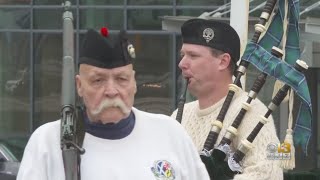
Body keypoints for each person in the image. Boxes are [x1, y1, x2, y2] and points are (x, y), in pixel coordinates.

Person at [17, 28, 210, 180]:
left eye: (121, 79)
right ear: (79, 86)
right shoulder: (47, 143)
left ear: (134, 82)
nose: (111, 90)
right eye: (98, 80)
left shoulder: (170, 134)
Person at [171, 19, 283, 179]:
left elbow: (270, 173)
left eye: (193, 56)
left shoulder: (253, 111)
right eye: (183, 55)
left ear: (223, 62)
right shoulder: (179, 115)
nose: (182, 63)